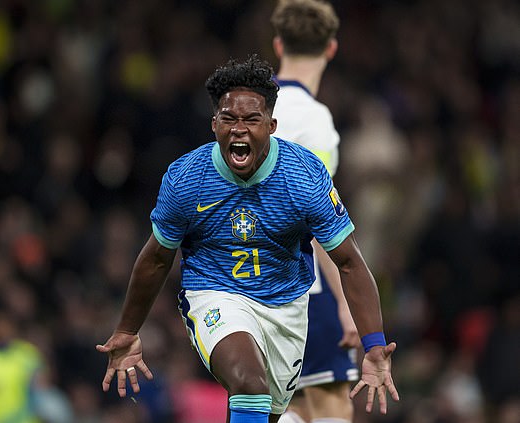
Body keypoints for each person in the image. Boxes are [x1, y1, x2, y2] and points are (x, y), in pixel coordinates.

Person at [96, 55, 399, 422]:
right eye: (229, 119)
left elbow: (349, 261)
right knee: (249, 383)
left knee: (259, 410)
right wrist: (127, 330)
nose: (239, 129)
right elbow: (157, 258)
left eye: (251, 120)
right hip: (214, 293)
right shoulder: (187, 179)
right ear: (214, 124)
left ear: (271, 125)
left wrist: (374, 344)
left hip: (285, 307)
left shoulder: (303, 177)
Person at [270, 1, 359, 422]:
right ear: (332, 49)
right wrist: (347, 304)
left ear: (277, 44)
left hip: (245, 284)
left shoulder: (245, 112)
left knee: (289, 407)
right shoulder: (315, 121)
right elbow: (321, 220)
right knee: (331, 406)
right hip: (305, 287)